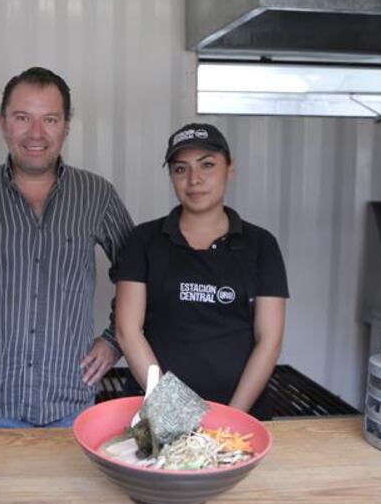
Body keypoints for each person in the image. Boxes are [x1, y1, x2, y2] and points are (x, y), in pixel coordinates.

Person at [0, 67, 134, 428]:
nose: (36, 133)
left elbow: (138, 273)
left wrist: (115, 340)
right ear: (3, 123)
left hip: (71, 404)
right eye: (22, 118)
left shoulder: (96, 194)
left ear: (66, 126)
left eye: (50, 119)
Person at [114, 122, 288, 419]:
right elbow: (127, 330)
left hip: (241, 414)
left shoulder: (261, 245)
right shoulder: (144, 240)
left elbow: (269, 340)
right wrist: (174, 412)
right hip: (158, 413)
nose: (194, 179)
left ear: (229, 168)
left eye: (207, 165)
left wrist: (231, 418)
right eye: (181, 169)